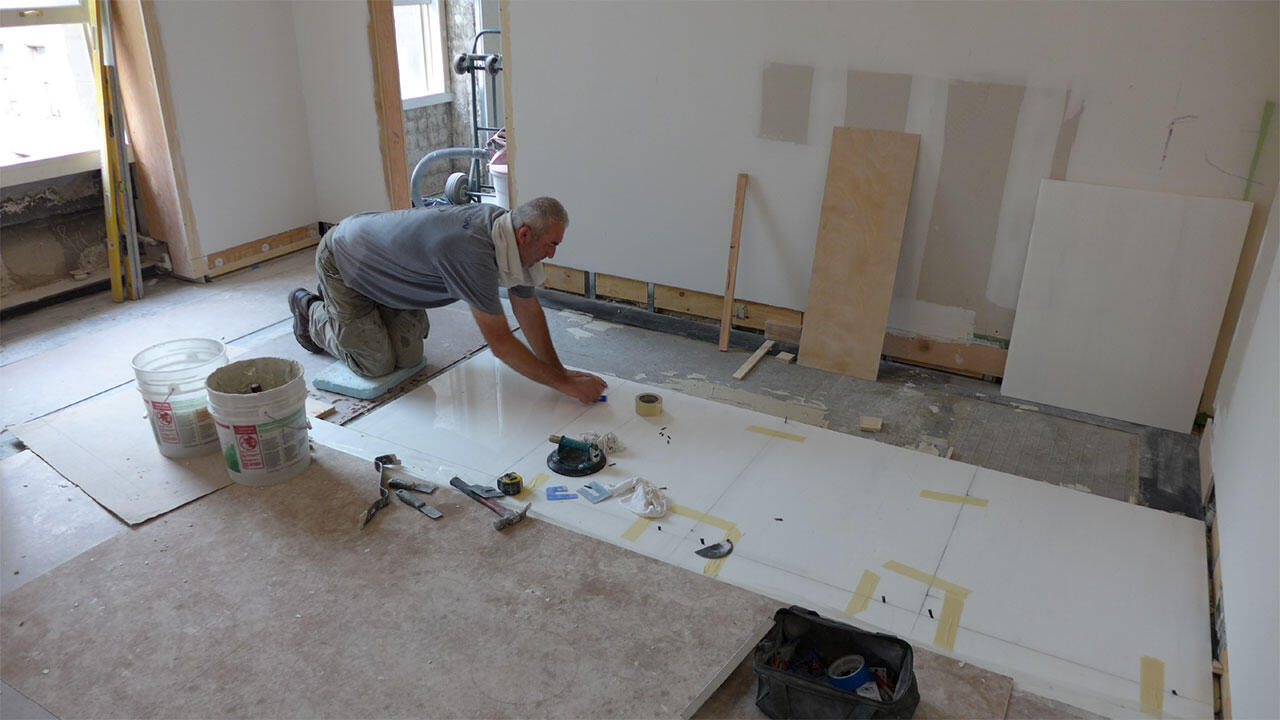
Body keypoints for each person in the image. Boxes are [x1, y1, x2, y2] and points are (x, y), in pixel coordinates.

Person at [287, 197, 607, 404]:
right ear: (525, 234)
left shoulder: (507, 237)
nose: (552, 254)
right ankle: (310, 310)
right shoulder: (472, 252)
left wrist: (560, 373)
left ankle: (365, 319)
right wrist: (564, 386)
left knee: (409, 360)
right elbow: (500, 343)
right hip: (347, 259)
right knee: (375, 364)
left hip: (394, 275)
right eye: (551, 244)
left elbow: (527, 308)